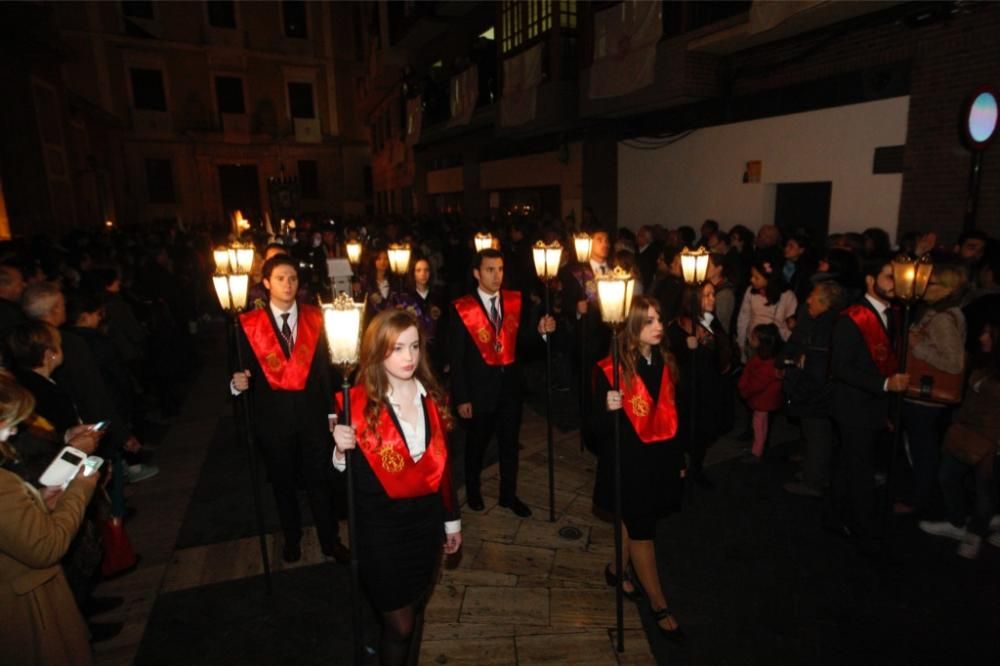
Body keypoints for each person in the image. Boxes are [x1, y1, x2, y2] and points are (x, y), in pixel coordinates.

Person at [332, 310, 461, 666]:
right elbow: (341, 483)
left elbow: (444, 465)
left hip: (425, 526)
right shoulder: (356, 404)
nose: (408, 357)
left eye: (415, 346)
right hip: (380, 531)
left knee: (416, 608)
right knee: (400, 625)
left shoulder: (432, 396)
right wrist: (340, 451)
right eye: (397, 348)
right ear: (377, 351)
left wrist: (451, 521)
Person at [230, 254, 347, 564]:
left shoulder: (315, 318)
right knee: (283, 485)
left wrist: (333, 414)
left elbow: (326, 370)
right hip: (273, 419)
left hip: (312, 416)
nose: (288, 284)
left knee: (320, 481)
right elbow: (239, 372)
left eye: (293, 278)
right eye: (281, 278)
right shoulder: (248, 324)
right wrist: (237, 384)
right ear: (266, 283)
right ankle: (292, 538)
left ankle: (329, 539)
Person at [591, 295, 685, 641]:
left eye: (659, 319)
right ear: (631, 327)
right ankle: (659, 604)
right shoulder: (609, 368)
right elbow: (595, 432)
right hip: (628, 465)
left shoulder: (666, 361)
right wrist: (607, 407)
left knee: (633, 524)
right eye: (649, 321)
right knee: (644, 532)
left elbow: (676, 416)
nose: (659, 326)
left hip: (658, 461)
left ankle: (617, 570)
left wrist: (679, 461)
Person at [0, 370, 99, 665]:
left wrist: (37, 504)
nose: (14, 431)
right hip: (26, 607)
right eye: (6, 421)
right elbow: (45, 547)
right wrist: (82, 485)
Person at [449, 248, 555, 517]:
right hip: (479, 390)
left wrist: (540, 332)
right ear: (477, 273)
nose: (497, 276)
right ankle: (473, 490)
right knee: (477, 445)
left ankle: (509, 495)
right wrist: (462, 398)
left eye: (500, 269)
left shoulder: (514, 301)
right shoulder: (463, 307)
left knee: (509, 445)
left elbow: (523, 344)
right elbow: (457, 357)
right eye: (489, 270)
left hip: (510, 389)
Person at [827, 257, 910, 543]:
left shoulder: (895, 314)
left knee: (849, 465)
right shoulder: (853, 317)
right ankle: (864, 527)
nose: (894, 284)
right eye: (888, 277)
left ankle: (838, 516)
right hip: (853, 406)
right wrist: (885, 384)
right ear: (870, 280)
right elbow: (840, 367)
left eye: (896, 278)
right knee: (861, 468)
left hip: (875, 405)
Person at [897, 263, 968, 516]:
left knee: (922, 448)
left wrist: (917, 346)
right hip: (922, 397)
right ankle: (919, 494)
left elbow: (954, 363)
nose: (926, 287)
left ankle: (920, 499)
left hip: (926, 398)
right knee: (920, 447)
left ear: (949, 289)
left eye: (933, 283)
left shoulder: (941, 319)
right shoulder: (937, 313)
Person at [782, 280, 845, 497]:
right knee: (815, 434)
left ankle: (814, 481)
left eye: (813, 297)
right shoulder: (822, 322)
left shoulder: (825, 328)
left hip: (816, 392)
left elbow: (815, 365)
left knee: (818, 435)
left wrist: (799, 381)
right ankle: (814, 472)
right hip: (818, 390)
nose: (808, 300)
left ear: (826, 303)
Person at [666, 283, 733, 486]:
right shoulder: (677, 326)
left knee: (703, 431)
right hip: (686, 391)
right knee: (684, 431)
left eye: (713, 294)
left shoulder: (712, 322)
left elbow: (724, 351)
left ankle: (697, 468)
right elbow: (672, 359)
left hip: (708, 388)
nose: (712, 298)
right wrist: (689, 348)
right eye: (706, 295)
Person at [738, 324, 784, 463]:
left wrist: (745, 391)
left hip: (762, 399)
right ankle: (758, 447)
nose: (750, 339)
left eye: (753, 337)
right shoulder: (770, 359)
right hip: (764, 397)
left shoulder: (764, 362)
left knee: (758, 424)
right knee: (761, 424)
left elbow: (757, 383)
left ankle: (756, 451)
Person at [735, 258, 798, 361]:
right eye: (752, 276)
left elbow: (790, 328)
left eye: (756, 277)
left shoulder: (787, 296)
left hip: (775, 349)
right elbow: (743, 318)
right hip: (753, 344)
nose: (752, 280)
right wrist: (741, 344)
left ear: (769, 279)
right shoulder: (750, 292)